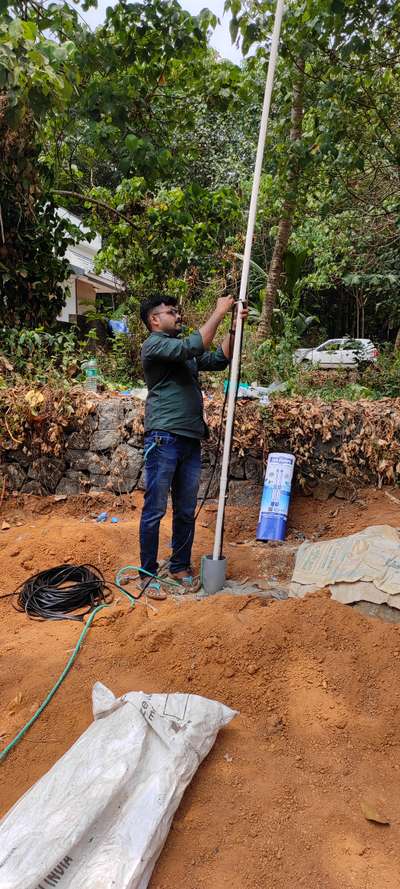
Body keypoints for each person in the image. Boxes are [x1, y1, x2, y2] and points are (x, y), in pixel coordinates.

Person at [138, 294, 247, 600]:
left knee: (185, 510)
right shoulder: (155, 345)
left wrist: (234, 327)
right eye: (170, 312)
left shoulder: (182, 351)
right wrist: (218, 310)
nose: (176, 315)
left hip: (189, 439)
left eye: (176, 310)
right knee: (155, 509)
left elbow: (218, 359)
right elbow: (194, 345)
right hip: (163, 438)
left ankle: (180, 567)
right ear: (154, 320)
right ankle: (146, 573)